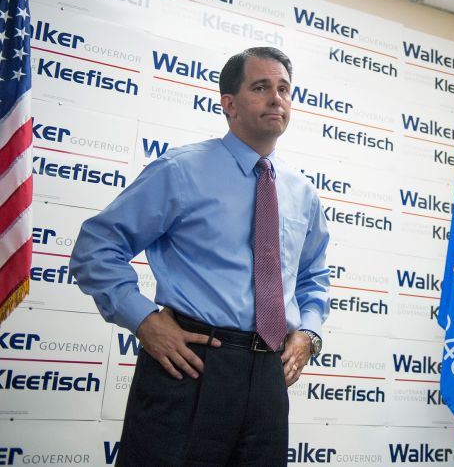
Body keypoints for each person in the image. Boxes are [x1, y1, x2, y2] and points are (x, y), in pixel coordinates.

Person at [70, 46, 330, 466]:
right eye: (261, 87)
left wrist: (309, 334)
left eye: (284, 88)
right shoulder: (180, 170)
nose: (276, 98)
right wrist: (144, 320)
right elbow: (96, 247)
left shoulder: (302, 192)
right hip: (190, 367)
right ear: (229, 103)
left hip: (268, 375)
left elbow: (313, 275)